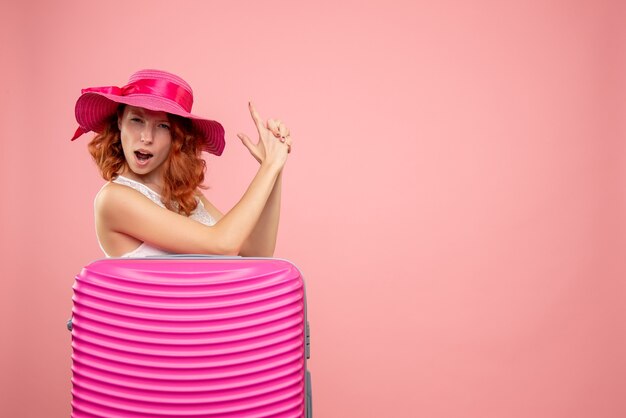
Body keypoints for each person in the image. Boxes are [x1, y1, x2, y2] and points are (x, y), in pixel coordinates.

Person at [71, 69, 292, 258]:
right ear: (120, 122)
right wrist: (268, 167)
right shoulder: (114, 199)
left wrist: (275, 166)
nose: (146, 137)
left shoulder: (187, 196)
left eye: (163, 126)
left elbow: (257, 253)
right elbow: (222, 244)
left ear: (176, 136)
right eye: (136, 120)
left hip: (216, 308)